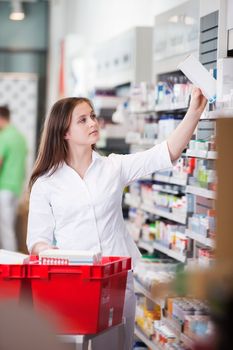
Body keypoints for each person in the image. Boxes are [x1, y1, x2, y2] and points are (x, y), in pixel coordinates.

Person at [26, 88, 207, 349]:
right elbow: (37, 239)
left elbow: (165, 152)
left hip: (119, 281)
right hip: (74, 281)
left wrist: (194, 112)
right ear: (64, 132)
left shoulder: (113, 167)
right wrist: (51, 253)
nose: (93, 122)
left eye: (92, 116)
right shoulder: (46, 183)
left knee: (117, 345)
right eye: (83, 120)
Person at [0, 105, 27, 251]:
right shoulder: (20, 137)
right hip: (16, 188)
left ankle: (8, 263)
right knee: (8, 226)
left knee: (5, 229)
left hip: (3, 188)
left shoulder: (4, 136)